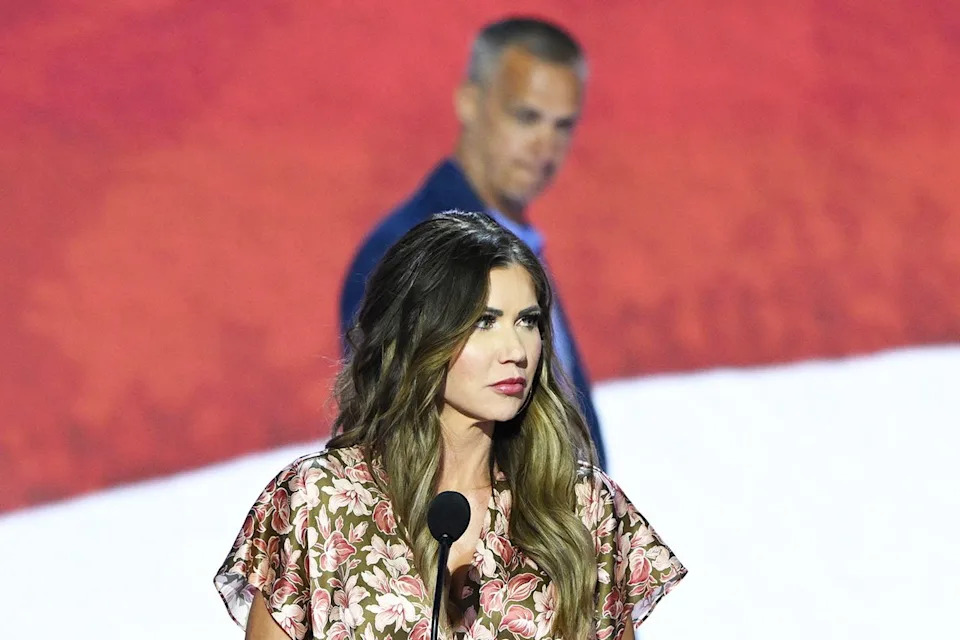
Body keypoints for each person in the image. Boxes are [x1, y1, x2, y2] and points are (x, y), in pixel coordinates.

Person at [216, 212, 685, 640]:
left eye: (527, 321)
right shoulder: (320, 502)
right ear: (419, 333)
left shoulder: (583, 509)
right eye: (484, 322)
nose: (516, 351)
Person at [339, 16, 608, 469]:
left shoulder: (515, 245)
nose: (545, 145)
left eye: (562, 125)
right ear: (469, 102)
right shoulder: (407, 249)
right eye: (526, 116)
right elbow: (391, 435)